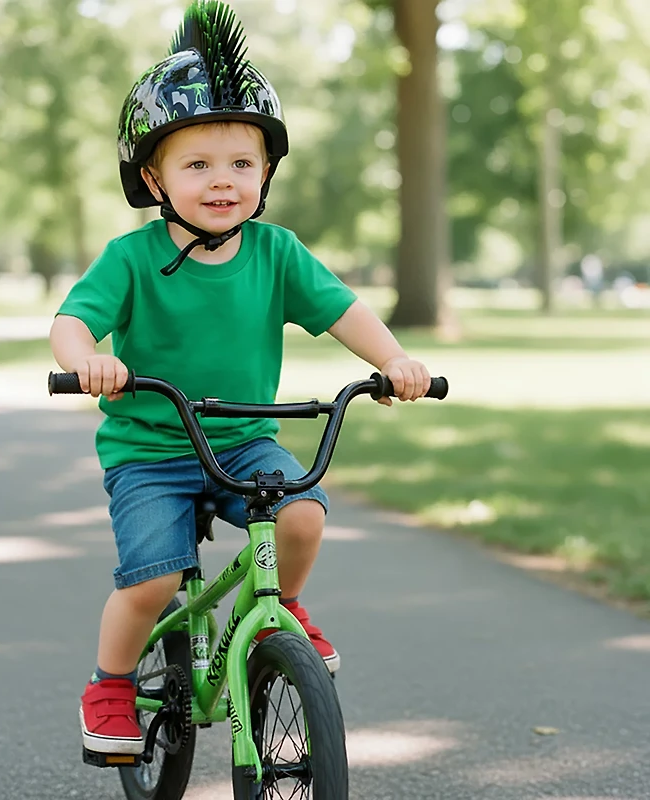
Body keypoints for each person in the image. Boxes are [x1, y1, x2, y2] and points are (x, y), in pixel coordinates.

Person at [50, 0, 432, 757]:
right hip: (150, 448)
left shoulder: (276, 252)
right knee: (152, 579)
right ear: (152, 178)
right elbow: (71, 322)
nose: (222, 181)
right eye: (197, 164)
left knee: (302, 513)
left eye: (241, 164)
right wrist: (86, 360)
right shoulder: (132, 258)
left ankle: (284, 604)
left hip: (245, 439)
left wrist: (391, 362)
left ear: (266, 172)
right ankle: (110, 683)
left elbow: (344, 311)